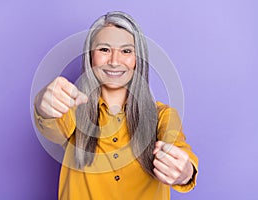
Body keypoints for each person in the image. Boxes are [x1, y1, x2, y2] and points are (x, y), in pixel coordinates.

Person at [34, 11, 198, 200]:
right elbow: (53, 128)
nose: (114, 61)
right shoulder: (73, 110)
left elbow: (177, 145)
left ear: (137, 59)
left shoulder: (163, 116)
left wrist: (185, 172)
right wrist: (42, 105)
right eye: (104, 49)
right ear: (90, 57)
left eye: (126, 51)